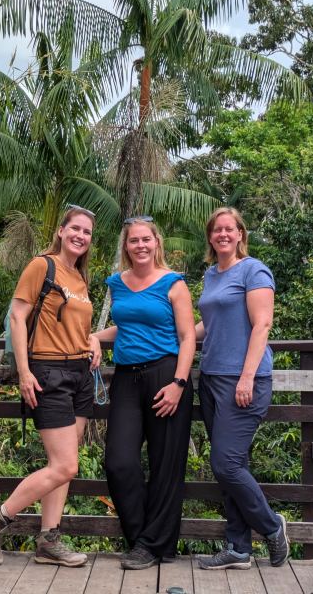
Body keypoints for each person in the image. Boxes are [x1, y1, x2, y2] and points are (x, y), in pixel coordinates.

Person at [0, 206, 102, 567]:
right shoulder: (41, 266)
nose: (80, 235)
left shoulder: (79, 277)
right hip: (49, 373)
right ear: (61, 231)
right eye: (75, 228)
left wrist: (92, 340)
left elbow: (74, 324)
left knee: (63, 463)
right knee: (65, 466)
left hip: (80, 375)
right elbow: (18, 316)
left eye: (87, 232)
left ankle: (49, 540)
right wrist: (24, 372)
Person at [93, 217, 196, 570]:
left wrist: (179, 384)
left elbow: (187, 338)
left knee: (166, 464)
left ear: (156, 243)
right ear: (126, 245)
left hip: (166, 375)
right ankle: (142, 540)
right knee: (119, 461)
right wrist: (95, 337)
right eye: (133, 240)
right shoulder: (117, 283)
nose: (140, 245)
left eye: (146, 239)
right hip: (126, 378)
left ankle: (153, 544)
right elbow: (125, 325)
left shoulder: (174, 283)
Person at [195, 207, 289, 570]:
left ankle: (271, 526)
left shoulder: (254, 270)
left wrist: (247, 377)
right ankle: (238, 548)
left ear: (240, 234)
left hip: (244, 380)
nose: (222, 234)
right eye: (216, 229)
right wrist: (180, 337)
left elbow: (262, 325)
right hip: (211, 378)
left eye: (228, 229)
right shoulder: (210, 274)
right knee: (232, 464)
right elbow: (209, 324)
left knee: (226, 463)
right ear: (210, 236)